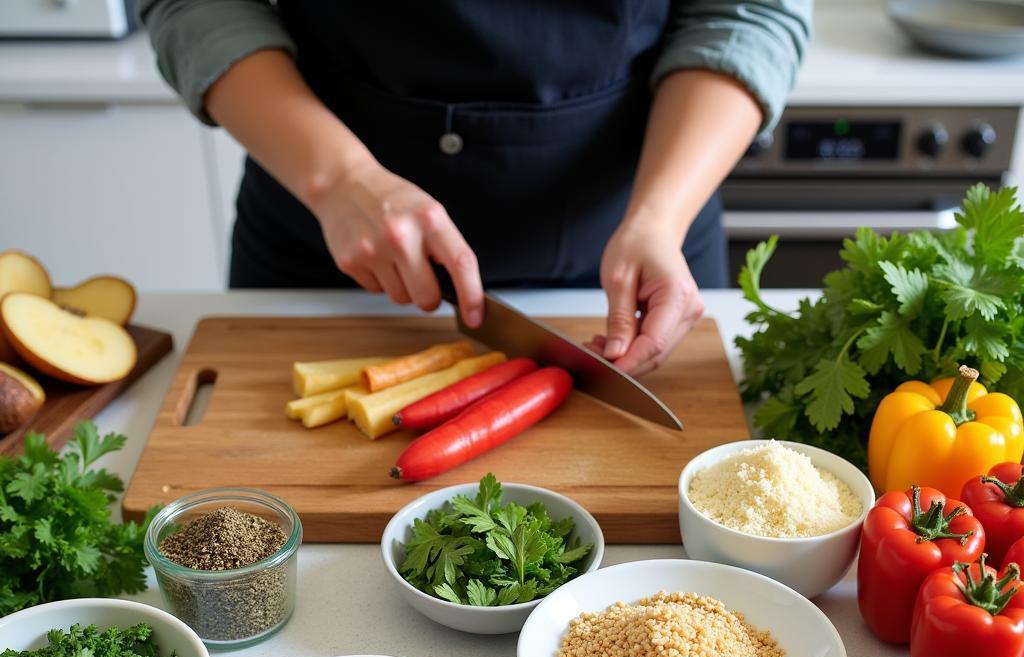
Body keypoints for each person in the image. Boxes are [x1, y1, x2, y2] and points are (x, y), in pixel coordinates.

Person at [140, 1, 811, 376]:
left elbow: (746, 11)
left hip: (642, 241)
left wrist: (658, 218)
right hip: (323, 233)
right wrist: (339, 177)